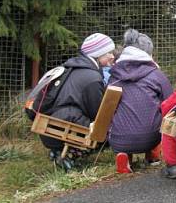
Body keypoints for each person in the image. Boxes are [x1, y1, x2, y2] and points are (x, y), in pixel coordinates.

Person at [34, 33, 115, 169]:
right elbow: (97, 113)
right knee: (106, 132)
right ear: (98, 54)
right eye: (108, 53)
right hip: (64, 125)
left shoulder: (73, 68)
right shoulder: (92, 78)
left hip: (52, 124)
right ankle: (71, 155)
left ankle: (59, 151)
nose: (112, 56)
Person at [107, 29, 173, 173]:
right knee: (159, 114)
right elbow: (170, 101)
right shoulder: (156, 75)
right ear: (148, 52)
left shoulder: (114, 75)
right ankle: (152, 155)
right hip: (152, 137)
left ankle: (125, 156)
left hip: (119, 138)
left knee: (121, 115)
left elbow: (107, 107)